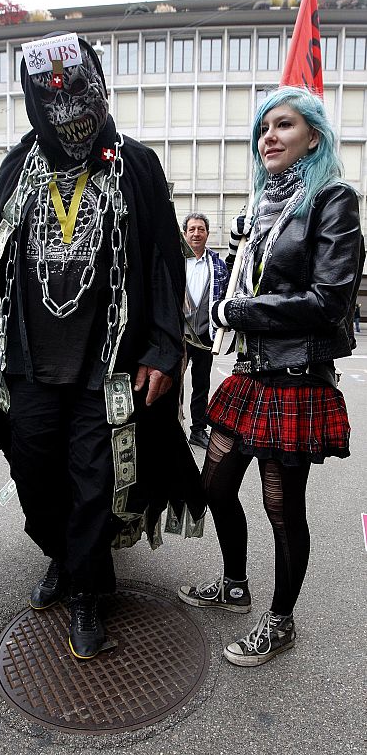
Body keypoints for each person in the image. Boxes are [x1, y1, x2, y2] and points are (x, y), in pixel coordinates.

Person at [0, 32, 203, 660]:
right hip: (32, 363)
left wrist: (164, 349)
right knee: (33, 471)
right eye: (50, 96)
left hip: (109, 364)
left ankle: (88, 587)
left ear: (99, 89)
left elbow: (164, 263)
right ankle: (63, 554)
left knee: (96, 481)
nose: (67, 109)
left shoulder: (137, 165)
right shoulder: (20, 167)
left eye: (78, 93)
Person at [178, 86, 364, 667]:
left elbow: (331, 298)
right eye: (263, 129)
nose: (270, 138)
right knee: (213, 486)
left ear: (313, 135)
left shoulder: (334, 199)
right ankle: (236, 585)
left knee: (283, 508)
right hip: (251, 373)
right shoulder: (261, 207)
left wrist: (241, 312)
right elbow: (249, 278)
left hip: (298, 378)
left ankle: (280, 620)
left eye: (283, 126)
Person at [182, 213, 228, 448]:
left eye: (201, 229)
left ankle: (198, 430)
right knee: (172, 385)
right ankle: (171, 429)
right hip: (178, 335)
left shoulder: (218, 265)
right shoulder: (175, 261)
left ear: (207, 234)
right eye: (192, 229)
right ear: (185, 233)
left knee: (201, 386)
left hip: (204, 336)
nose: (196, 233)